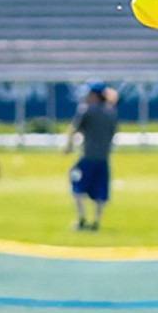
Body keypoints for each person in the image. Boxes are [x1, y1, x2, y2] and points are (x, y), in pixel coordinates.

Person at [64, 81, 118, 231]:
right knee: (101, 191)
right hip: (103, 157)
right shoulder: (111, 112)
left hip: (88, 156)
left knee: (77, 185)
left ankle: (81, 219)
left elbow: (75, 128)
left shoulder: (86, 110)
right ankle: (96, 222)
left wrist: (68, 146)